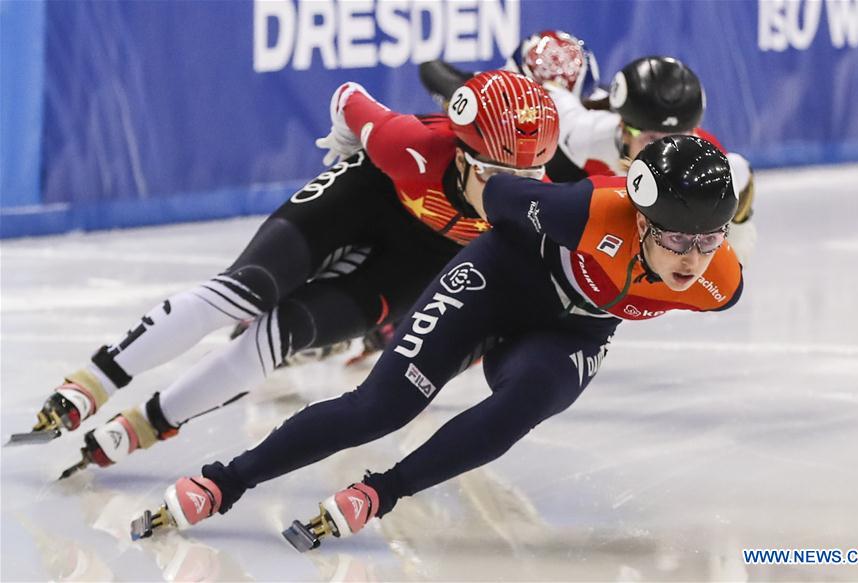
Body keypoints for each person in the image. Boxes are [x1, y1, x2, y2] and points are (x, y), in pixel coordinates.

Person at [132, 135, 744, 550]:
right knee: (381, 407)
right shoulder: (589, 211)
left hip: (569, 329)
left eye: (708, 240)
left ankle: (380, 492)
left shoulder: (719, 283)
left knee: (524, 404)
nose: (691, 261)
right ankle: (225, 481)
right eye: (676, 241)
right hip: (499, 280)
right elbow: (497, 197)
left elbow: (699, 261)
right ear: (640, 220)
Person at [22, 70, 559, 476]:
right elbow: (349, 97)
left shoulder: (538, 207)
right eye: (492, 175)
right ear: (462, 155)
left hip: (418, 259)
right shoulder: (409, 146)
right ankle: (95, 380)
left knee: (286, 333)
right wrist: (349, 146)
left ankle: (150, 423)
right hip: (366, 194)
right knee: (246, 291)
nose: (508, 193)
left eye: (529, 177)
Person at [420, 44, 757, 262]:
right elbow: (537, 96)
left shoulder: (706, 164)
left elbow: (742, 175)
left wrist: (737, 228)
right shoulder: (583, 133)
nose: (663, 150)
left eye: (679, 136)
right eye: (651, 137)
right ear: (623, 127)